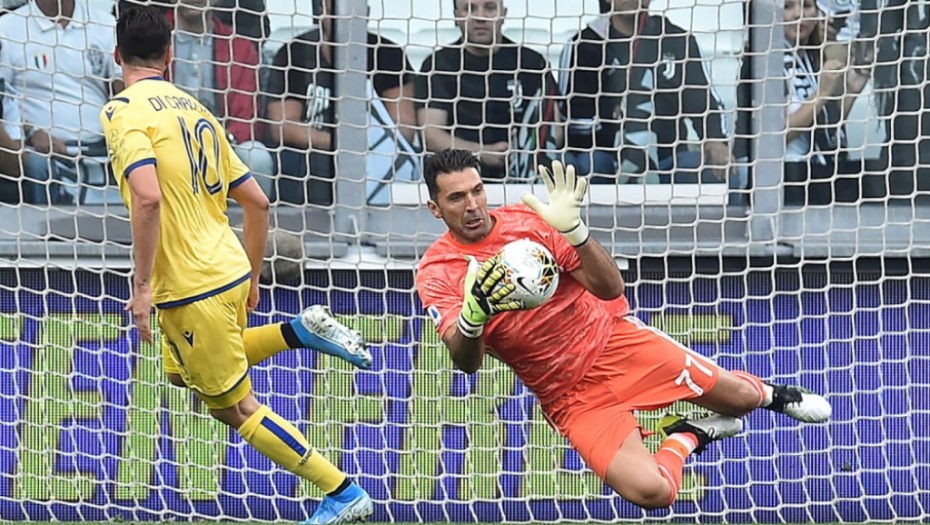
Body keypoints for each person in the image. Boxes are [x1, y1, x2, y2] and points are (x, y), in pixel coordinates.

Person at [414, 149, 832, 510]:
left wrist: (574, 231)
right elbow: (466, 362)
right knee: (653, 493)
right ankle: (688, 434)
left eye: (477, 191)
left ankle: (776, 395)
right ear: (435, 208)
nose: (473, 205)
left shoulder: (531, 223)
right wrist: (474, 314)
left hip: (616, 343)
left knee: (741, 401)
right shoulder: (437, 271)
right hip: (568, 394)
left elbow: (610, 288)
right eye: (456, 198)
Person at [100, 7, 374, 523]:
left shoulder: (122, 111)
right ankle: (299, 331)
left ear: (118, 56)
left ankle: (342, 491)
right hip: (225, 267)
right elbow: (257, 202)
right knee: (183, 375)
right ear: (169, 56)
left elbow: (148, 197)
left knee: (235, 407)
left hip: (190, 285)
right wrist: (251, 275)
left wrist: (141, 286)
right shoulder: (195, 109)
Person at [559, 0, 731, 184]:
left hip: (668, 161)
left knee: (724, 170)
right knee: (587, 163)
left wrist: (714, 139)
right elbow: (573, 123)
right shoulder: (584, 45)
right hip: (607, 160)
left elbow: (705, 103)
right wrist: (617, 116)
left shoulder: (678, 40)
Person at [266, 0, 418, 206]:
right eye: (336, 12)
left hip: (373, 157)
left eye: (353, 13)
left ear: (366, 14)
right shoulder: (295, 53)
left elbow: (404, 128)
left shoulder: (388, 55)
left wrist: (366, 147)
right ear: (321, 13)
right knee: (292, 159)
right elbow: (282, 126)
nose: (345, 20)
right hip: (311, 157)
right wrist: (338, 143)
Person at [737, 0, 870, 205]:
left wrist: (852, 90)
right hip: (784, 181)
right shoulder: (762, 62)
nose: (799, 14)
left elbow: (824, 125)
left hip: (821, 174)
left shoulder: (812, 57)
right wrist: (822, 93)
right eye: (787, 6)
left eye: (807, 6)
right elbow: (773, 136)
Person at [415, 0, 563, 181]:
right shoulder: (439, 65)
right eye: (470, 8)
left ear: (503, 13)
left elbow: (557, 133)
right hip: (457, 175)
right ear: (456, 15)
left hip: (525, 177)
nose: (480, 17)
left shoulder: (532, 63)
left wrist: (522, 149)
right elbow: (431, 135)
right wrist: (482, 153)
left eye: (490, 8)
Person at [0, 0, 124, 204]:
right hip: (39, 150)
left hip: (100, 149)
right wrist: (31, 132)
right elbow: (3, 101)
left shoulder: (106, 24)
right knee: (38, 166)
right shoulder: (8, 28)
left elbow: (124, 91)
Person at [166, 0, 276, 197]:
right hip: (163, 141)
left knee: (257, 157)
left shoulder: (240, 48)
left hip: (223, 145)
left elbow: (247, 118)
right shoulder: (149, 38)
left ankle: (252, 217)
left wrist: (223, 138)